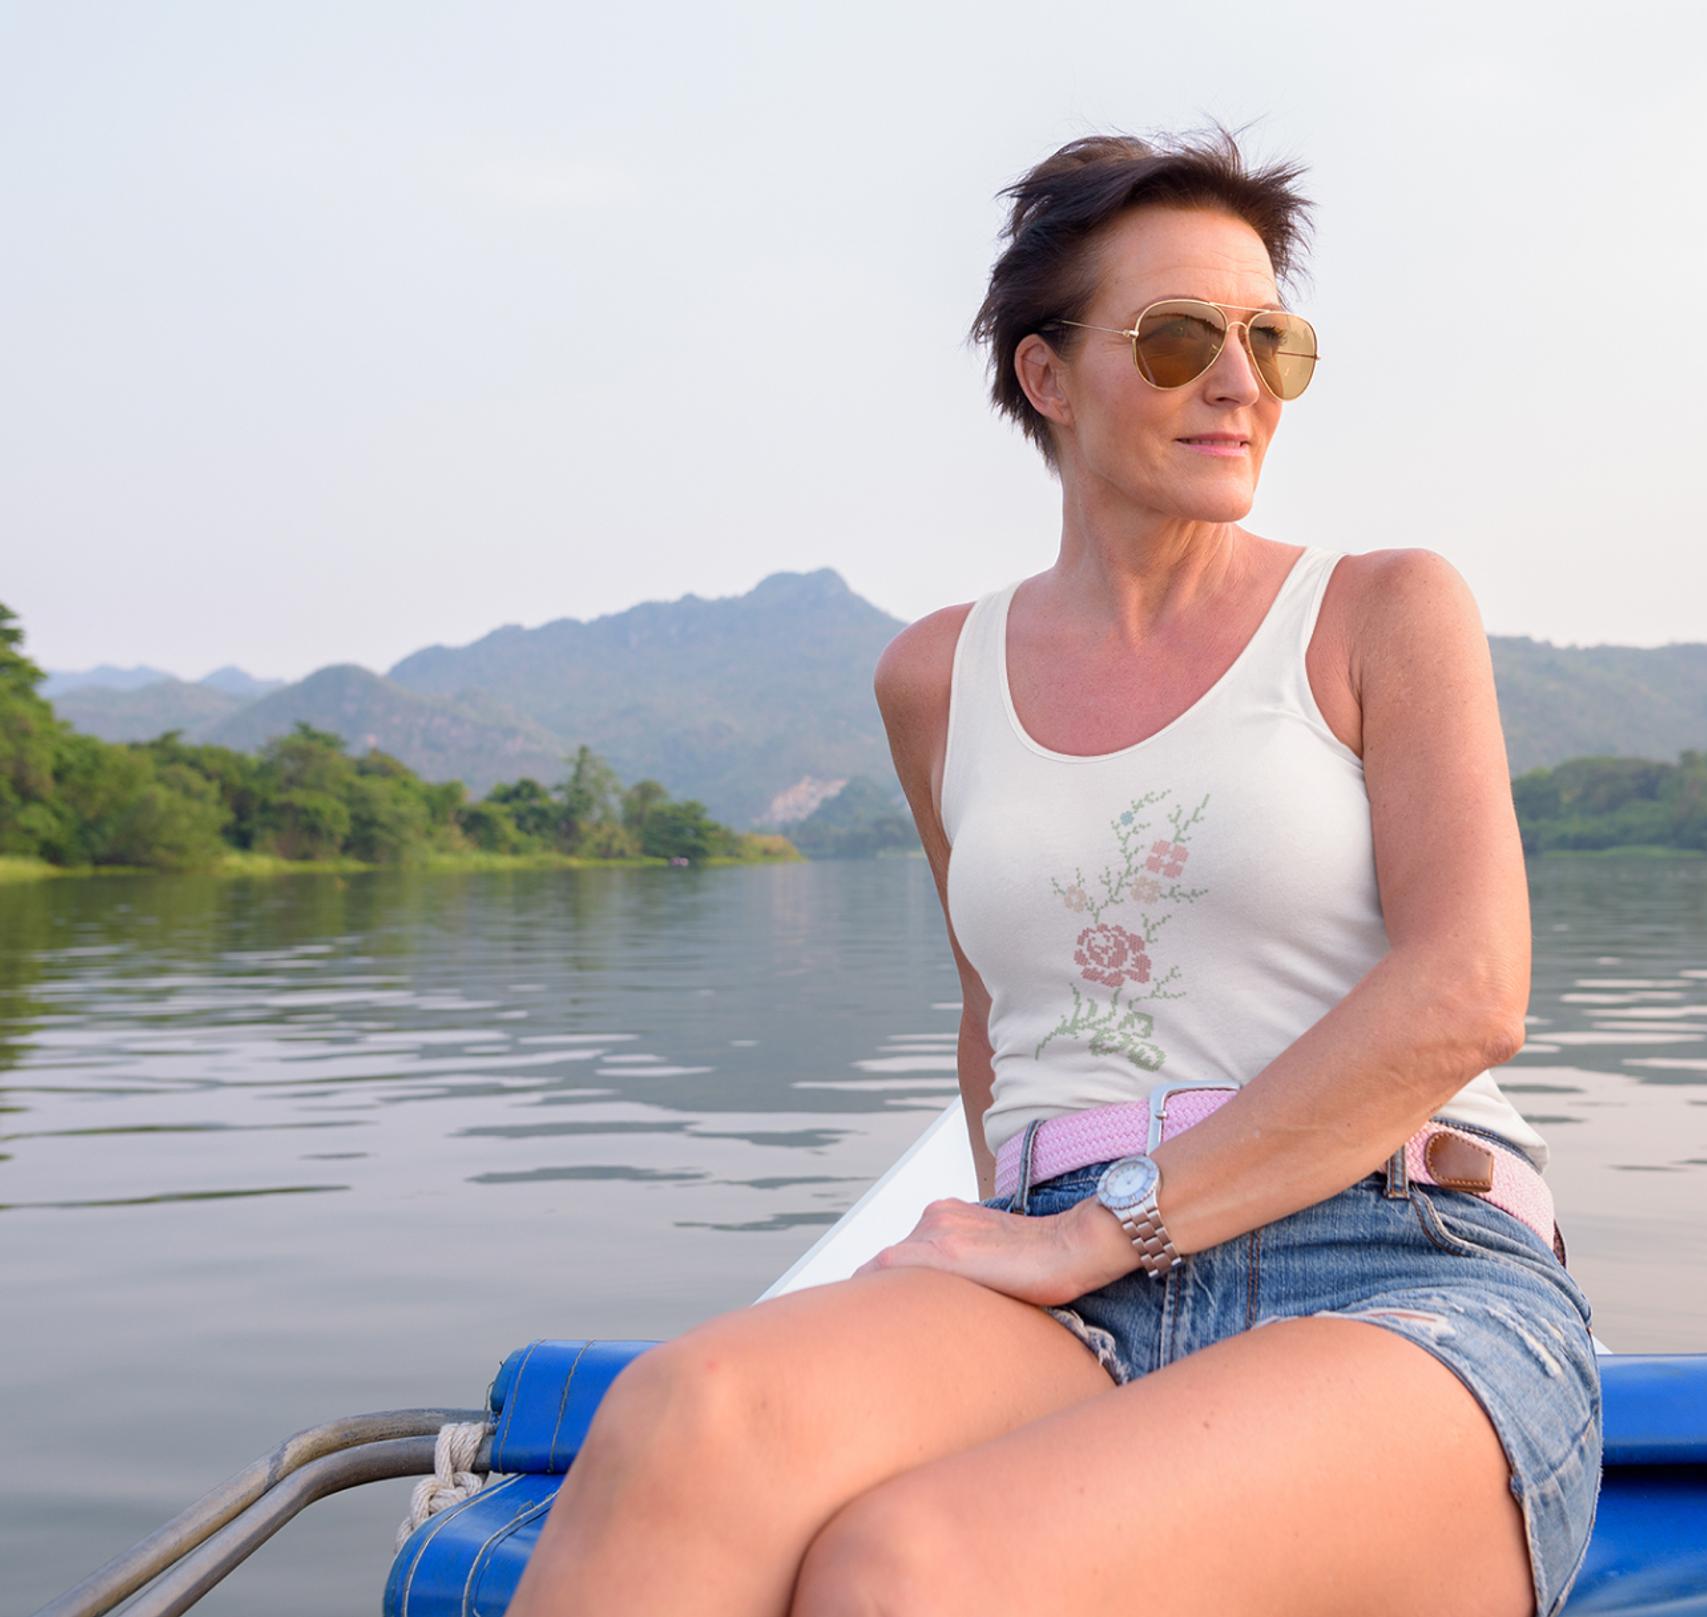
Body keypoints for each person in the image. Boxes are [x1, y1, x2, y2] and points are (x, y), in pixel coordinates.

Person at [508, 128, 1599, 1616]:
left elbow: (1467, 993)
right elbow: (997, 1021)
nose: (1237, 381)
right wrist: (1039, 1238)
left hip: (1398, 1255)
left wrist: (1110, 1221)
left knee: (910, 1571)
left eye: (1270, 341)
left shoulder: (1380, 611)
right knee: (680, 1426)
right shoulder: (933, 678)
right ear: (1044, 376)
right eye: (1175, 338)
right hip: (1071, 1278)